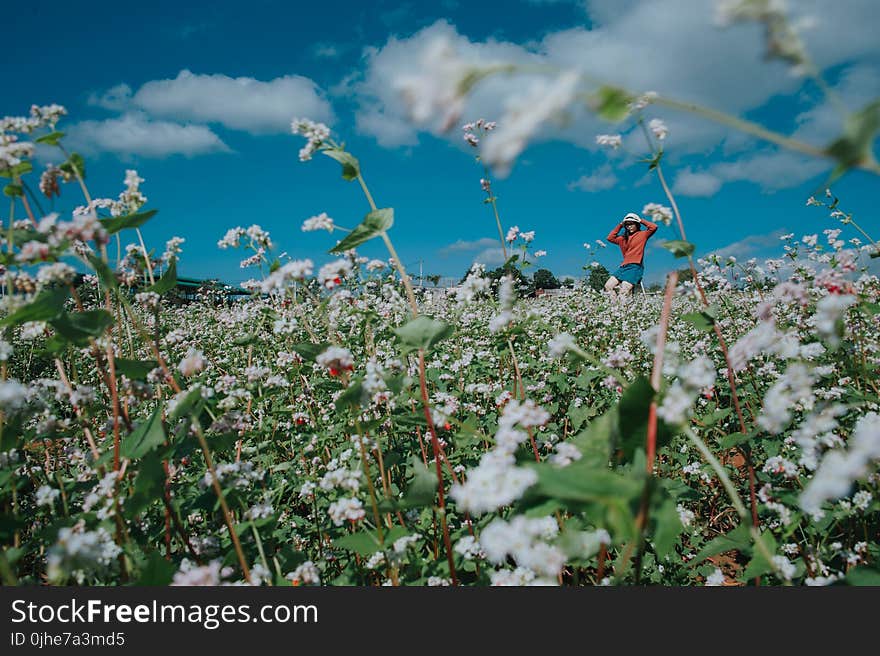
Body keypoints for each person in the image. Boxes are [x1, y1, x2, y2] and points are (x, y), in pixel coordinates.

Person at [604, 212, 658, 301]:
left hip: (635, 266)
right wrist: (620, 224)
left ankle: (624, 311)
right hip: (623, 267)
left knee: (624, 291)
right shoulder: (622, 239)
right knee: (608, 286)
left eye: (632, 224)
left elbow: (653, 227)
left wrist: (640, 220)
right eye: (627, 225)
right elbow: (610, 238)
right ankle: (614, 308)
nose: (629, 226)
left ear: (637, 224)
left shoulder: (643, 234)